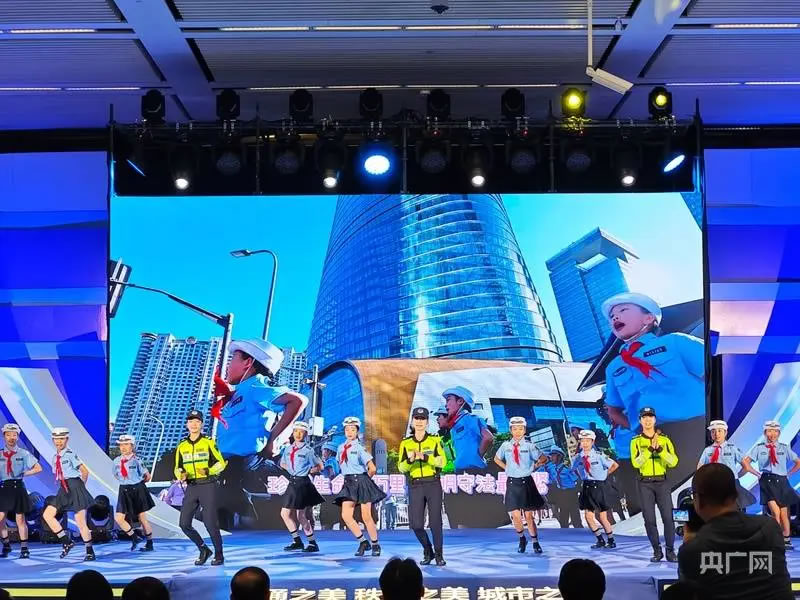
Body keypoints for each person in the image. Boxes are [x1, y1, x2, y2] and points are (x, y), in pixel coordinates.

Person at [602, 292, 705, 488]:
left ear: (648, 318)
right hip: (652, 440)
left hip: (695, 429)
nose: (615, 318)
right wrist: (639, 428)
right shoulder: (613, 367)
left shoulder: (675, 342)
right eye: (612, 316)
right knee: (671, 494)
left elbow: (716, 373)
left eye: (623, 310)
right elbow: (613, 410)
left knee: (711, 487)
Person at [212, 339, 307, 522]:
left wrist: (274, 440)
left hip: (247, 466)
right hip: (226, 468)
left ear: (248, 363)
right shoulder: (238, 392)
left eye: (232, 360)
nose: (228, 366)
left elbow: (297, 401)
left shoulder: (255, 386)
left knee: (247, 524)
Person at [678, 463, 792, 600]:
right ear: (736, 495)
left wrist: (689, 543)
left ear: (698, 500)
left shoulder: (693, 549)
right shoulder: (770, 528)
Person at [174, 410, 227, 566]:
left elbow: (221, 463)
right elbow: (177, 467)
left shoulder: (208, 442)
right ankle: (203, 549)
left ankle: (219, 554)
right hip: (191, 486)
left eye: (197, 421)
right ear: (187, 424)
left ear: (202, 424)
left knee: (210, 522)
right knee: (184, 524)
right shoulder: (182, 445)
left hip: (208, 485)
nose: (194, 424)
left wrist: (209, 471)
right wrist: (180, 474)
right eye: (191, 421)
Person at [398, 407, 446, 566]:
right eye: (417, 418)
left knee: (435, 522)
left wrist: (425, 457)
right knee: (416, 524)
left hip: (433, 483)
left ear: (427, 422)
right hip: (415, 484)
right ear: (412, 421)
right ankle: (428, 549)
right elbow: (401, 467)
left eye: (422, 419)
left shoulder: (434, 440)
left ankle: (439, 554)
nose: (419, 422)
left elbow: (442, 462)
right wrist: (410, 460)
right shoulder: (405, 443)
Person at [630, 406, 679, 562]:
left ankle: (670, 551)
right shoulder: (636, 441)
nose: (648, 420)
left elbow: (673, 462)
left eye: (650, 417)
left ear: (655, 420)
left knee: (668, 518)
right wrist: (650, 449)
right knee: (649, 519)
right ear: (640, 420)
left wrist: (660, 451)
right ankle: (657, 551)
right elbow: (636, 463)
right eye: (644, 417)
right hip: (645, 483)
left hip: (662, 482)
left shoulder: (665, 439)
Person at [742, 420, 800, 550]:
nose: (772, 434)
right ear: (765, 433)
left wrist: (789, 474)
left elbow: (798, 462)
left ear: (779, 433)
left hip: (782, 481)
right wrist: (756, 473)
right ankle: (775, 539)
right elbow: (746, 462)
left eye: (775, 431)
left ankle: (786, 539)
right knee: (775, 512)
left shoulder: (784, 447)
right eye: (769, 431)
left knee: (784, 513)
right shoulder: (759, 448)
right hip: (767, 481)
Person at [334, 416, 386, 556]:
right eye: (347, 429)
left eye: (353, 429)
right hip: (348, 482)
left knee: (366, 516)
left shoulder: (359, 448)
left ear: (357, 431)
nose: (349, 432)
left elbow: (372, 468)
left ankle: (375, 544)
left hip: (361, 481)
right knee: (346, 515)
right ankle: (363, 542)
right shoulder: (340, 448)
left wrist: (365, 482)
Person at [493, 416, 546, 554]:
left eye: (520, 429)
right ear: (511, 430)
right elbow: (496, 459)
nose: (517, 431)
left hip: (526, 482)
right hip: (512, 482)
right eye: (515, 429)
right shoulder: (505, 445)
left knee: (529, 516)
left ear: (524, 430)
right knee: (515, 515)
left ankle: (535, 541)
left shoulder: (530, 446)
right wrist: (506, 468)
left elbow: (543, 458)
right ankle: (522, 539)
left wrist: (534, 466)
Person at [42, 427, 95, 560]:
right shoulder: (55, 457)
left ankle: (90, 552)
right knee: (47, 515)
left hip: (75, 486)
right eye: (56, 439)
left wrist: (81, 488)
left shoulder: (70, 454)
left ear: (67, 439)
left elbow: (85, 471)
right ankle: (66, 541)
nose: (59, 442)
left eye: (62, 439)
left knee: (80, 522)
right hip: (63, 488)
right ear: (53, 440)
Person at [279, 421, 325, 553]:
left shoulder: (308, 450)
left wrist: (307, 471)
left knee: (301, 516)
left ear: (305, 434)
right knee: (284, 514)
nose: (298, 434)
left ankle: (312, 543)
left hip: (303, 483)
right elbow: (282, 463)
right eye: (296, 431)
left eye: (301, 432)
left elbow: (320, 466)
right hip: (292, 482)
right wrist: (291, 470)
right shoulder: (288, 449)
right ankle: (297, 541)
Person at [0, 423, 42, 558]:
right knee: (0, 520)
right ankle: (6, 545)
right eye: (8, 435)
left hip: (18, 487)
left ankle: (24, 549)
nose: (11, 437)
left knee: (20, 520)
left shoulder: (23, 453)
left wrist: (24, 473)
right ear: (4, 436)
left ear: (17, 437)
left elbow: (38, 468)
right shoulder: (0, 454)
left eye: (14, 435)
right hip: (4, 488)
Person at [572, 430, 618, 550]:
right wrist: (581, 477)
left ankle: (611, 540)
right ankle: (600, 539)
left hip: (599, 486)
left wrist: (604, 475)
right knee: (588, 516)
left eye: (587, 441)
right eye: (582, 441)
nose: (585, 443)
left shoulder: (599, 455)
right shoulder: (578, 457)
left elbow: (614, 465)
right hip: (587, 486)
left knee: (602, 517)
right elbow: (573, 469)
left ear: (592, 442)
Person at [697, 420, 758, 509]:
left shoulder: (732, 448)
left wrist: (737, 476)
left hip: (731, 484)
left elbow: (746, 466)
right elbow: (700, 468)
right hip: (714, 484)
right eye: (713, 431)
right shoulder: (707, 451)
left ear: (725, 432)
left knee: (734, 510)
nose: (716, 434)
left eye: (719, 431)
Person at [112, 434, 155, 552]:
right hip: (124, 489)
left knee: (142, 518)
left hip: (137, 489)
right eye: (121, 445)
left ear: (132, 446)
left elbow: (147, 476)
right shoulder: (116, 461)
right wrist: (126, 482)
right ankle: (134, 537)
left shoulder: (137, 460)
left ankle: (149, 543)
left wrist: (137, 483)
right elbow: (116, 475)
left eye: (126, 444)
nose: (123, 447)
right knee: (119, 518)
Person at [442, 387, 493, 472]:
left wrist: (477, 457)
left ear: (460, 401)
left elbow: (488, 437)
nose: (445, 405)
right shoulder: (454, 425)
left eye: (448, 400)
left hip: (474, 470)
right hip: (460, 470)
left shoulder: (470, 418)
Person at [543, 446, 582, 528]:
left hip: (570, 493)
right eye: (551, 456)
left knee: (575, 516)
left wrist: (576, 491)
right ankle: (565, 531)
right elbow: (551, 480)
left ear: (559, 457)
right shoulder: (553, 469)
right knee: (563, 516)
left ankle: (580, 531)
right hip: (561, 493)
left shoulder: (566, 469)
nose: (551, 457)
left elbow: (577, 480)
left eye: (553, 456)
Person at [433, 404, 455, 474]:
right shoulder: (442, 436)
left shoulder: (456, 435)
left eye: (439, 416)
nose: (437, 419)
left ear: (447, 417)